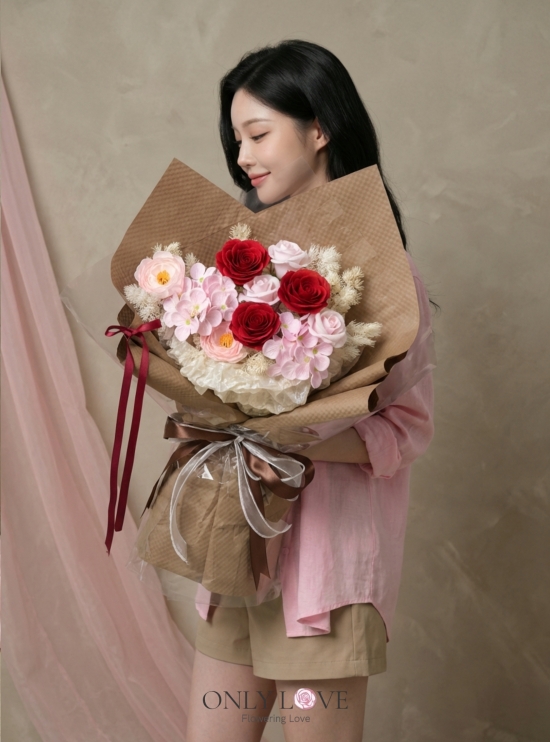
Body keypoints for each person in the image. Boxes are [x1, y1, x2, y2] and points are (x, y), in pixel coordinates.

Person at [186, 40, 435, 742]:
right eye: (237, 140)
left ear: (319, 129)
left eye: (258, 134)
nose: (243, 157)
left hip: (325, 578)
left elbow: (408, 427)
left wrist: (290, 439)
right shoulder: (238, 266)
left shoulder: (386, 276)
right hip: (237, 551)